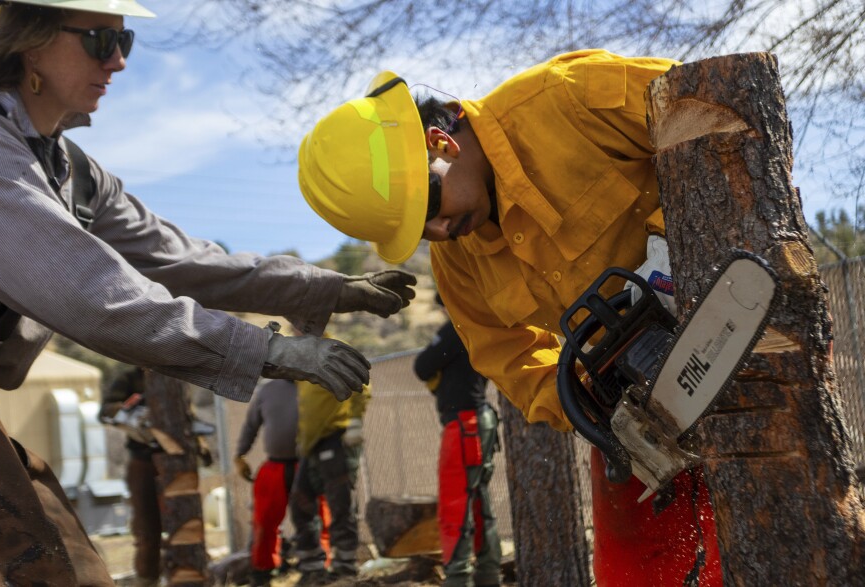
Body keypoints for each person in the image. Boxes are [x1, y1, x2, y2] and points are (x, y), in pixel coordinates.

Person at [0, 1, 415, 584]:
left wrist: (326, 288)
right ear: (30, 43)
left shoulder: (73, 173)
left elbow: (182, 259)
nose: (117, 62)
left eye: (125, 42)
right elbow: (90, 292)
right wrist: (269, 351)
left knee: (69, 570)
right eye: (97, 41)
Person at [298, 50, 722, 586]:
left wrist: (675, 244)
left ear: (441, 143)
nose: (439, 232)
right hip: (645, 403)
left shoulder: (567, 97)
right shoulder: (456, 259)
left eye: (429, 205)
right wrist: (597, 413)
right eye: (416, 229)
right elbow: (507, 355)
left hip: (743, 324)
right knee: (636, 571)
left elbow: (718, 108)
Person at [99, 365, 214, 587]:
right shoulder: (129, 378)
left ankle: (188, 574)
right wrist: (130, 411)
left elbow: (186, 415)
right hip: (142, 459)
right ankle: (147, 579)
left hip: (176, 461)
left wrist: (201, 445)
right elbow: (105, 411)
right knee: (147, 530)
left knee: (184, 523)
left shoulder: (175, 376)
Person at [414, 294, 501, 587]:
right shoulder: (479, 326)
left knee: (456, 503)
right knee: (478, 502)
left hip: (465, 425)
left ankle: (457, 578)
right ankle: (488, 574)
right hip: (480, 420)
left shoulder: (455, 329)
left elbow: (422, 366)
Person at [291, 331, 370, 586]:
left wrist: (356, 420)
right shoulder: (304, 356)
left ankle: (345, 566)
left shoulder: (336, 348)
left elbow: (361, 383)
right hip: (311, 444)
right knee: (300, 503)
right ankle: (312, 567)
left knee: (340, 504)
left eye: (298, 324)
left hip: (336, 437)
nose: (294, 329)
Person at [234, 378, 306, 586]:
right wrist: (240, 454)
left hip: (308, 465)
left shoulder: (315, 386)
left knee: (314, 518)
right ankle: (263, 572)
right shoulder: (268, 390)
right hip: (275, 466)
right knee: (264, 520)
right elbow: (251, 425)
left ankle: (314, 567)